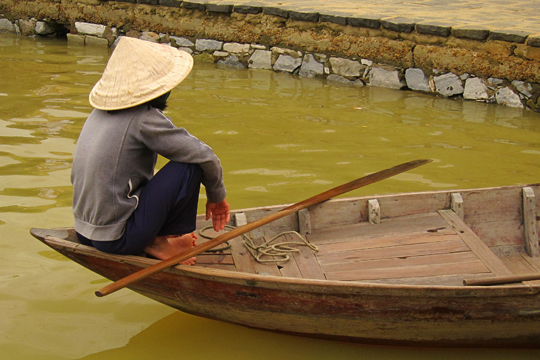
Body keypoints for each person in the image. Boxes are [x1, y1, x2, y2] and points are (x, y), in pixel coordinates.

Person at [71, 36, 230, 264]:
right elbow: (204, 155)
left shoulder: (97, 114)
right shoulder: (143, 118)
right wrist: (217, 196)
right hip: (117, 239)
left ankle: (155, 237)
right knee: (190, 165)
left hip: (85, 232)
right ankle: (159, 242)